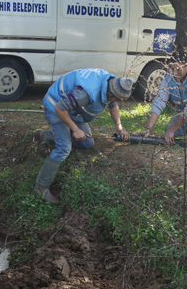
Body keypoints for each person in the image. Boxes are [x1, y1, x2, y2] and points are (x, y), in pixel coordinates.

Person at [34, 68, 133, 204]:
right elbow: (59, 108)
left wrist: (119, 127)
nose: (117, 102)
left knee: (87, 143)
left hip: (73, 109)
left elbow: (113, 104)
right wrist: (75, 129)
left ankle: (46, 136)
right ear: (110, 93)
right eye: (116, 99)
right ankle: (41, 187)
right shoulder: (85, 93)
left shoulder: (112, 83)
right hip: (56, 104)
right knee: (64, 148)